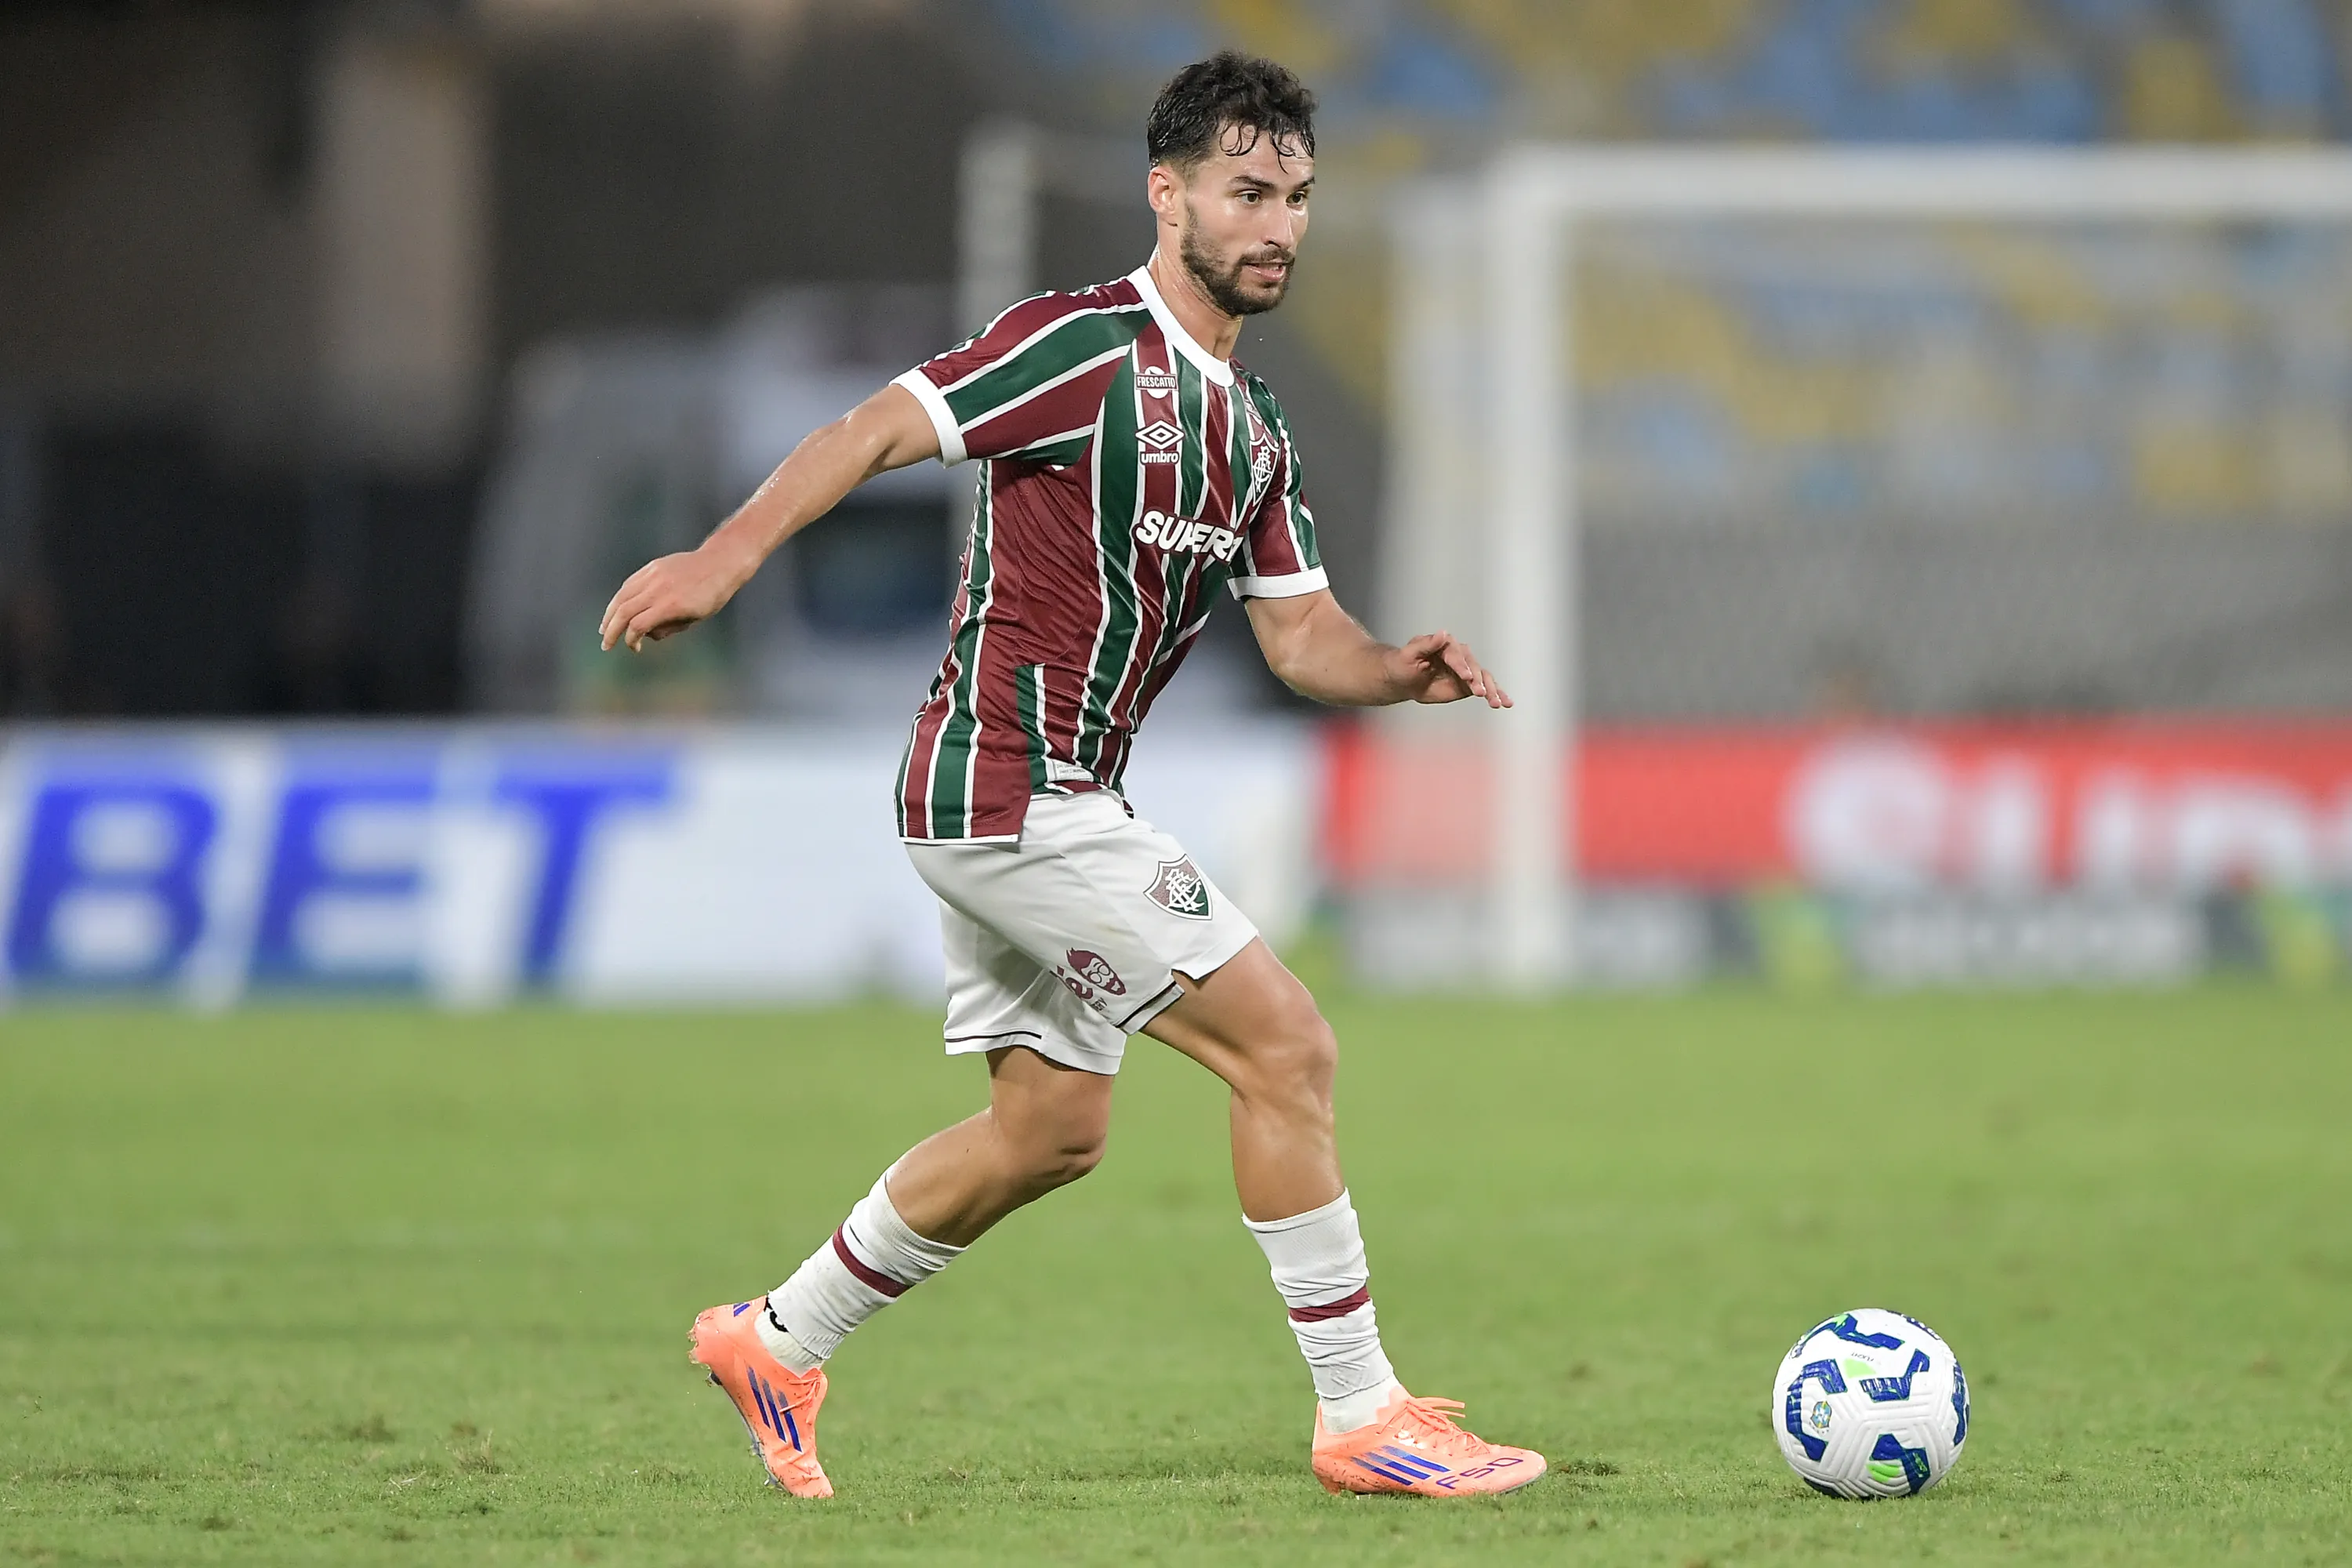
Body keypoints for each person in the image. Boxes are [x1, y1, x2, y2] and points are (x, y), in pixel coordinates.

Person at [599, 51, 1542, 1501]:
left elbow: (1299, 638)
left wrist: (1390, 671)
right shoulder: (1083, 346)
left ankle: (778, 1337)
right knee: (1285, 1049)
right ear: (1166, 196)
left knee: (1050, 1130)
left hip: (1044, 795)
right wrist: (722, 559)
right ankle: (1364, 1415)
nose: (1277, 222)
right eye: (1245, 192)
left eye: (1295, 195)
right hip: (1011, 785)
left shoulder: (1257, 431)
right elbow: (879, 427)